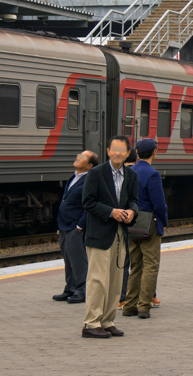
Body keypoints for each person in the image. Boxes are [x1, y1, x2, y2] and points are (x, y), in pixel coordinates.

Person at [80, 136, 138, 339]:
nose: (118, 153)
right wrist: (110, 212)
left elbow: (134, 201)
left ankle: (107, 321)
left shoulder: (131, 175)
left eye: (122, 150)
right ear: (108, 151)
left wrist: (132, 211)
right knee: (97, 280)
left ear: (128, 153)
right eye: (114, 150)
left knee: (115, 280)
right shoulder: (95, 173)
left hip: (120, 235)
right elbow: (87, 202)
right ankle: (91, 323)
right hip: (99, 236)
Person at [122, 139, 167, 319]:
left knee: (135, 266)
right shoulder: (152, 174)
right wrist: (163, 222)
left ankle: (129, 305)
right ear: (154, 152)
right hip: (149, 224)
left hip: (132, 223)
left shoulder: (129, 172)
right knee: (150, 266)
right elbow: (159, 203)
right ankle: (143, 306)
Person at [54, 150, 98, 305]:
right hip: (65, 225)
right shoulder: (74, 176)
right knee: (68, 258)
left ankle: (82, 291)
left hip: (75, 227)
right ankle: (70, 289)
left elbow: (89, 205)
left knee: (79, 260)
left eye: (83, 157)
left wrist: (80, 226)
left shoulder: (89, 180)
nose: (78, 157)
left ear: (90, 165)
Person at [118, 148, 139, 310]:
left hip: (121, 224)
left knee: (123, 262)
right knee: (143, 262)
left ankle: (122, 297)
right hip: (141, 224)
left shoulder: (118, 175)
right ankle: (150, 295)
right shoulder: (144, 173)